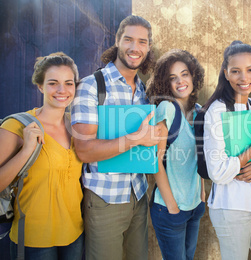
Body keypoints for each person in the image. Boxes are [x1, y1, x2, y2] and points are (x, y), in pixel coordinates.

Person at [71, 15, 161, 260]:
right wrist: (135, 138)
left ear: (148, 47)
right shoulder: (92, 86)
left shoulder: (144, 91)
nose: (135, 48)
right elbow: (84, 150)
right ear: (117, 41)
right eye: (129, 39)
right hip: (105, 199)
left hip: (138, 194)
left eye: (142, 42)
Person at [0, 52, 84, 259]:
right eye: (53, 83)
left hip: (74, 234)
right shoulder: (17, 126)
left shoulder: (78, 126)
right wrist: (26, 150)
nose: (62, 90)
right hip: (33, 238)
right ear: (40, 86)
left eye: (69, 83)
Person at [202, 41, 251, 260]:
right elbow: (217, 172)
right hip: (231, 207)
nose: (244, 78)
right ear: (226, 73)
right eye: (236, 71)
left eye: (250, 70)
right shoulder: (217, 110)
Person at [146, 49, 206, 260]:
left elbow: (199, 155)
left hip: (194, 206)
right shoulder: (167, 109)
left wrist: (201, 193)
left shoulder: (198, 111)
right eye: (173, 78)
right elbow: (155, 161)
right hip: (171, 209)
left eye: (185, 74)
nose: (180, 81)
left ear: (193, 76)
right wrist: (172, 205)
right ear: (166, 83)